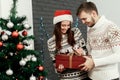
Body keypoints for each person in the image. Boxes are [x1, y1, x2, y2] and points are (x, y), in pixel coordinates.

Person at [76, 1, 120, 80]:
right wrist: (82, 53)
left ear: (93, 13)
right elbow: (90, 53)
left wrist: (94, 62)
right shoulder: (90, 31)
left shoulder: (111, 28)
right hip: (91, 76)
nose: (83, 22)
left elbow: (118, 55)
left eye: (84, 18)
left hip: (108, 78)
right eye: (81, 19)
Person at [47, 10, 91, 80]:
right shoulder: (51, 42)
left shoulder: (76, 32)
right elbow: (55, 63)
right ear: (57, 25)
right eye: (63, 25)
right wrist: (59, 69)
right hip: (66, 78)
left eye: (68, 25)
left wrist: (82, 52)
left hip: (83, 76)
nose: (66, 28)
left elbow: (86, 52)